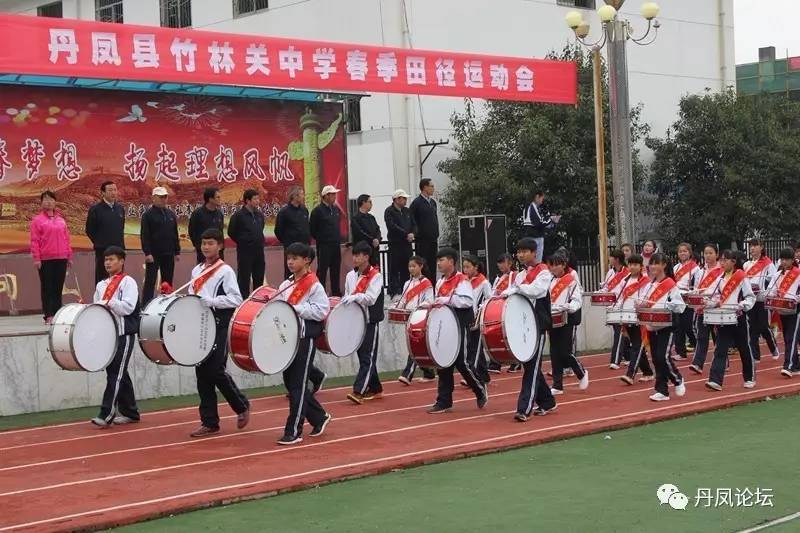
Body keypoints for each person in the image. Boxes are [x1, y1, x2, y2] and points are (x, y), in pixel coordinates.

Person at [187, 229, 250, 437]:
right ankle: (209, 421)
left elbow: (236, 299)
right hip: (201, 325)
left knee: (215, 370)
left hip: (220, 324)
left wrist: (212, 302)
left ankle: (241, 405)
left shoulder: (226, 271)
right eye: (203, 243)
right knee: (201, 373)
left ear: (220, 246)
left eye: (211, 243)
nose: (206, 247)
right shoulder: (196, 270)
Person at [274, 242, 332, 445]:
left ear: (306, 260)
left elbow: (321, 311)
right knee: (291, 384)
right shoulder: (285, 285)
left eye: (294, 258)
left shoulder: (314, 285)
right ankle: (319, 416)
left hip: (305, 338)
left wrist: (297, 309)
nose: (290, 262)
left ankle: (294, 430)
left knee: (298, 385)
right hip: (287, 339)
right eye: (288, 258)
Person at [426, 247, 488, 414]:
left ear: (452, 262)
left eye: (442, 260)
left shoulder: (462, 280)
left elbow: (467, 302)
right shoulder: (440, 282)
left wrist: (446, 300)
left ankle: (479, 388)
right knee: (443, 362)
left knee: (462, 362)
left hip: (461, 324)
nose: (439, 263)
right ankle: (444, 401)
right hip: (445, 325)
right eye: (438, 260)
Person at [501, 238, 557, 420]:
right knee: (529, 365)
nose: (521, 255)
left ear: (534, 253)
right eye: (519, 252)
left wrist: (517, 288)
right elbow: (513, 293)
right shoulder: (519, 275)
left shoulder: (544, 272)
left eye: (525, 251)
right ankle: (547, 401)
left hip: (538, 324)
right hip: (523, 324)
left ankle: (524, 409)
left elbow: (536, 291)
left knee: (532, 367)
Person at [90, 246, 140, 427]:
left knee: (115, 374)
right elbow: (97, 307)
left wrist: (109, 303)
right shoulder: (101, 285)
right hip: (107, 333)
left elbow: (128, 307)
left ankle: (106, 414)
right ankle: (131, 412)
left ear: (122, 261)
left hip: (123, 332)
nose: (108, 263)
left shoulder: (128, 282)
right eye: (106, 260)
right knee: (117, 372)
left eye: (112, 259)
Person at [636, 253, 687, 402]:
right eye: (651, 264)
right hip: (652, 325)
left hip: (666, 325)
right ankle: (662, 390)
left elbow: (680, 306)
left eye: (656, 263)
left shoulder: (671, 284)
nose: (653, 267)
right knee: (656, 359)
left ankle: (677, 379)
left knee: (662, 357)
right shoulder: (650, 285)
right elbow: (645, 302)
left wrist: (667, 305)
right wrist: (640, 304)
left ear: (664, 265)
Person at [704, 250, 757, 391]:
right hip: (724, 318)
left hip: (739, 318)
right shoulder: (720, 278)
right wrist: (708, 302)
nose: (722, 263)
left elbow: (750, 297)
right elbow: (716, 297)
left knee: (744, 348)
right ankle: (715, 380)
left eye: (725, 260)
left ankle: (749, 378)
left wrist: (742, 306)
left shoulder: (741, 277)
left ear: (733, 262)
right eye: (721, 260)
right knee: (720, 349)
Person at [342, 241, 385, 404]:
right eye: (354, 254)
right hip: (356, 320)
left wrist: (355, 297)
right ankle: (376, 388)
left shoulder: (376, 276)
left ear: (366, 257)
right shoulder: (350, 276)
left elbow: (371, 298)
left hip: (369, 320)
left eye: (358, 255)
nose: (354, 258)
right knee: (363, 355)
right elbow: (347, 295)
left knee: (368, 355)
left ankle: (358, 390)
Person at [546, 253, 589, 395]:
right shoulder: (548, 281)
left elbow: (577, 300)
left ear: (563, 265)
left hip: (566, 318)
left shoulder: (571, 280)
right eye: (551, 265)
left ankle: (581, 372)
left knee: (565, 351)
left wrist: (567, 307)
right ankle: (557, 385)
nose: (553, 268)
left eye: (557, 264)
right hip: (552, 319)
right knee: (554, 352)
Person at [30, 190, 72, 324]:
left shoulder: (61, 220)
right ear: (41, 203)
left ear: (55, 202)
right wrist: (37, 258)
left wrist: (69, 256)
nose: (48, 202)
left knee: (58, 287)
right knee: (47, 287)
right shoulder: (37, 221)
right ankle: (49, 314)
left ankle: (58, 313)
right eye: (45, 199)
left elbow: (67, 239)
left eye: (51, 199)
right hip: (45, 259)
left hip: (61, 258)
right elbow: (34, 241)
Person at [616, 254, 654, 385]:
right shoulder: (624, 281)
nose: (632, 267)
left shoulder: (646, 281)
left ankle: (630, 374)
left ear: (641, 266)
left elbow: (645, 298)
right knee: (636, 345)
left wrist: (640, 304)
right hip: (627, 316)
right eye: (630, 264)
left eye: (635, 264)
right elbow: (619, 297)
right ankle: (648, 372)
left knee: (637, 346)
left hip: (640, 317)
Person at [397, 256, 436, 385]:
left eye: (414, 266)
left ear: (421, 266)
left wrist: (418, 307)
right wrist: (398, 306)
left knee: (414, 345)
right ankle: (429, 372)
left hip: (420, 317)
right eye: (410, 266)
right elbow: (403, 300)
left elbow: (430, 300)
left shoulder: (426, 283)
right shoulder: (407, 283)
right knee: (416, 345)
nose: (411, 269)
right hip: (409, 317)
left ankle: (407, 374)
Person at [688, 244, 724, 374]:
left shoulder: (722, 271)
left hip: (716, 307)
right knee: (702, 336)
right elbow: (697, 288)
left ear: (717, 254)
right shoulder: (700, 271)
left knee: (717, 337)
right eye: (706, 253)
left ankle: (723, 360)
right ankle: (697, 363)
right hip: (702, 308)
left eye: (710, 253)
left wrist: (714, 301)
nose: (707, 256)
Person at [140, 187, 180, 306]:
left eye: (165, 197)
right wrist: (147, 253)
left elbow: (174, 233)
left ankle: (166, 305)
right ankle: (145, 306)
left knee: (167, 281)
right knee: (150, 281)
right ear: (153, 198)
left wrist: (177, 251)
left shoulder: (171, 214)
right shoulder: (147, 215)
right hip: (153, 254)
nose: (163, 199)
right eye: (160, 197)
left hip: (168, 252)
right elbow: (144, 235)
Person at [744, 239, 780, 361]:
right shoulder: (746, 265)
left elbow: (773, 280)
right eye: (751, 246)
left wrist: (764, 288)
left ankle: (773, 347)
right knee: (753, 328)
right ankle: (755, 355)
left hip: (762, 300)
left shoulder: (768, 263)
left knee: (764, 327)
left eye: (755, 246)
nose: (752, 248)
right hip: (751, 300)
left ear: (761, 247)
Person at [766, 248, 799, 377]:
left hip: (796, 311)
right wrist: (772, 294)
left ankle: (788, 366)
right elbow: (771, 290)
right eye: (782, 259)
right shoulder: (778, 274)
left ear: (792, 260)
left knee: (791, 338)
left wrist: (795, 298)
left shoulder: (798, 273)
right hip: (783, 310)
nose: (784, 262)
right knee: (787, 338)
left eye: (787, 259)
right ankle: (796, 365)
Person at [227, 189, 265, 299]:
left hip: (259, 251)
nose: (258, 201)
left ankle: (258, 298)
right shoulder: (238, 216)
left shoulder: (259, 215)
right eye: (255, 199)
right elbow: (231, 232)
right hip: (245, 252)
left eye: (258, 199)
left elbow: (260, 228)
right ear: (247, 201)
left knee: (259, 276)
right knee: (244, 278)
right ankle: (243, 300)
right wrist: (243, 241)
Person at [85, 181, 125, 284]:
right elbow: (89, 230)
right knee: (103, 280)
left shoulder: (120, 209)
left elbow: (121, 228)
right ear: (103, 193)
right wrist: (100, 242)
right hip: (103, 251)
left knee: (118, 281)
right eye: (110, 190)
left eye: (115, 190)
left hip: (118, 251)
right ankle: (101, 300)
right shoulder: (95, 209)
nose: (113, 193)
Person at [488, 253, 520, 374]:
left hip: (511, 309)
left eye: (503, 262)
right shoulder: (499, 278)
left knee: (512, 336)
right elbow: (494, 293)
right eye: (499, 263)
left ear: (510, 263)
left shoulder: (516, 276)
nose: (500, 265)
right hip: (499, 310)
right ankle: (495, 363)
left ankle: (515, 362)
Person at [462, 255, 492, 385]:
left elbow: (489, 299)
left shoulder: (483, 282)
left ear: (476, 267)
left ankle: (472, 375)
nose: (465, 270)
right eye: (464, 267)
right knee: (473, 347)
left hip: (478, 319)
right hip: (467, 318)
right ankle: (484, 375)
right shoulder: (464, 281)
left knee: (474, 348)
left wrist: (481, 314)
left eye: (468, 267)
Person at [310, 185, 344, 296]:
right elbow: (312, 229)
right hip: (324, 245)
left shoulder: (335, 209)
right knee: (322, 270)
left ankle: (336, 293)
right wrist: (322, 238)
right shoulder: (317, 211)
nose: (335, 196)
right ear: (326, 196)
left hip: (335, 245)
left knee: (335, 269)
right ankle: (320, 293)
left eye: (335, 194)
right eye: (333, 194)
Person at [384, 189, 415, 300]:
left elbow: (413, 224)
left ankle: (405, 290)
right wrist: (406, 234)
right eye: (404, 198)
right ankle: (394, 292)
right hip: (395, 245)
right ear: (397, 199)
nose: (406, 200)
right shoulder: (389, 211)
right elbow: (392, 226)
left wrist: (412, 233)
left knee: (406, 269)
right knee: (394, 269)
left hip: (407, 245)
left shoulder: (407, 211)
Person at [274, 186, 311, 279]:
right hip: (291, 248)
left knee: (305, 272)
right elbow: (278, 231)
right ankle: (289, 292)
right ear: (295, 196)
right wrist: (287, 242)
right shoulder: (284, 212)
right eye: (302, 194)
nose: (303, 197)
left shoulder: (304, 210)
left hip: (304, 247)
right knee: (291, 272)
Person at [672, 243, 700, 360]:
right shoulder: (675, 268)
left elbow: (697, 285)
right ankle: (680, 352)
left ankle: (698, 345)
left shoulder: (695, 268)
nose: (682, 253)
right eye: (680, 251)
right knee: (678, 326)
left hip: (688, 299)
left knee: (688, 326)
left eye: (685, 251)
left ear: (690, 252)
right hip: (677, 299)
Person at [602, 249, 630, 369]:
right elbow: (606, 287)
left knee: (619, 332)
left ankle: (616, 359)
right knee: (621, 332)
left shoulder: (627, 272)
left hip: (623, 306)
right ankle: (629, 356)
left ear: (617, 259)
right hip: (612, 305)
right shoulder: (610, 272)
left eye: (611, 257)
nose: (610, 259)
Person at [409, 178, 439, 285]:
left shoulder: (433, 202)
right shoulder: (416, 203)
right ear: (425, 187)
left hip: (433, 239)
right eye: (431, 186)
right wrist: (415, 233)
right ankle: (423, 286)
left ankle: (433, 286)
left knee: (433, 264)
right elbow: (412, 220)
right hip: (422, 240)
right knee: (424, 264)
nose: (433, 188)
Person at [188, 187, 225, 264]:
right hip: (204, 252)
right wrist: (198, 246)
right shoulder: (198, 214)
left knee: (218, 273)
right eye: (217, 197)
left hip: (218, 252)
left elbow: (220, 232)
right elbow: (191, 231)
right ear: (210, 199)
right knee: (204, 274)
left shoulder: (219, 214)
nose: (220, 199)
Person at [522, 191, 560, 263]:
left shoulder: (527, 207)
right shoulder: (532, 207)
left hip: (530, 235)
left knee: (530, 260)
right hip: (535, 236)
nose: (542, 201)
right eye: (542, 199)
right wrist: (551, 219)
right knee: (536, 261)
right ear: (537, 197)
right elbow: (539, 223)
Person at [350, 194, 382, 265]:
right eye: (369, 202)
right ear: (363, 203)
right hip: (362, 251)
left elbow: (377, 230)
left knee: (375, 272)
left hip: (373, 251)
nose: (371, 204)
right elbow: (359, 233)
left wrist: (377, 239)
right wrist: (372, 240)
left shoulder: (371, 217)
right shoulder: (355, 218)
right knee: (363, 273)